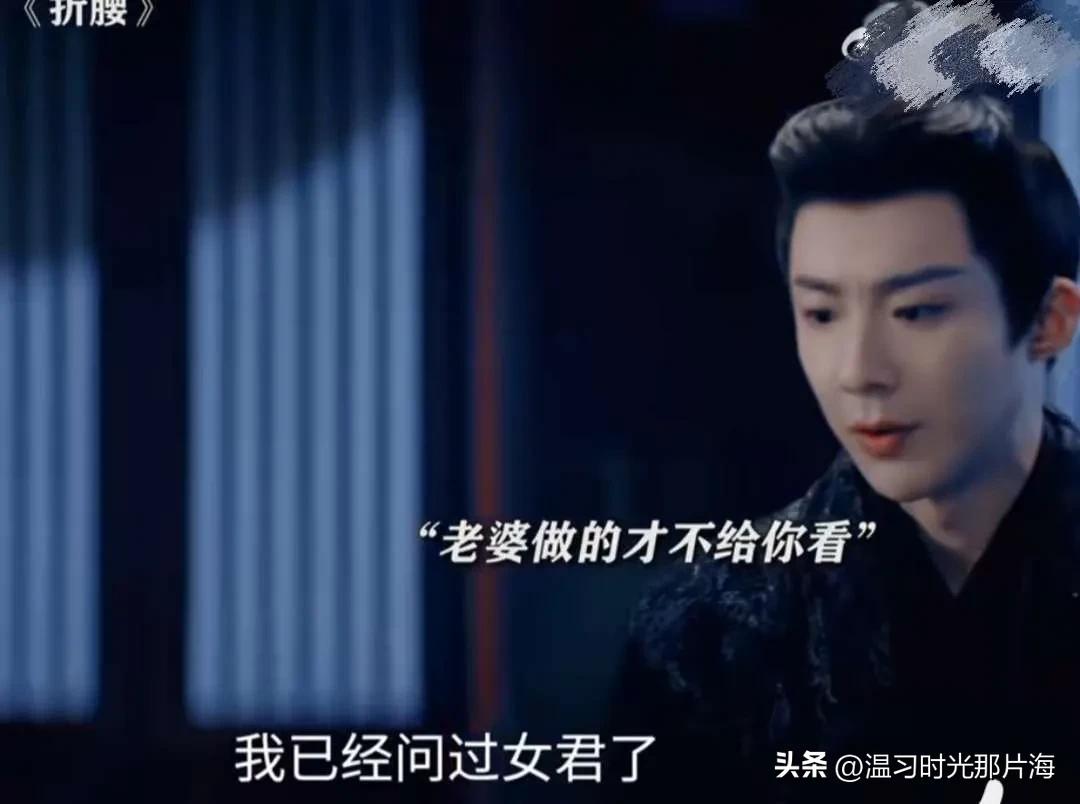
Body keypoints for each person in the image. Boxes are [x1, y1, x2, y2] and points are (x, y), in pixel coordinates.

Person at [602, 95, 1080, 804]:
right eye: (822, 313)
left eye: (917, 311)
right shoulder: (705, 634)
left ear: (1048, 320)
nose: (858, 369)